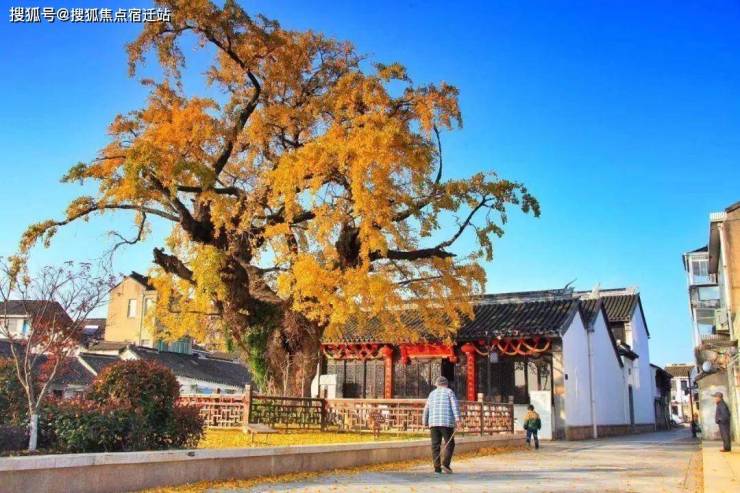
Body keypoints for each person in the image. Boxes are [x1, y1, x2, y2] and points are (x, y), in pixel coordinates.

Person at [422, 376, 461, 474]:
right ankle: (446, 464)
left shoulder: (432, 394)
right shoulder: (449, 392)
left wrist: (424, 422)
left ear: (437, 384)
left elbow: (426, 408)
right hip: (446, 422)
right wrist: (458, 420)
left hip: (433, 423)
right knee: (450, 443)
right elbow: (454, 406)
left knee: (435, 445)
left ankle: (437, 468)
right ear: (446, 384)